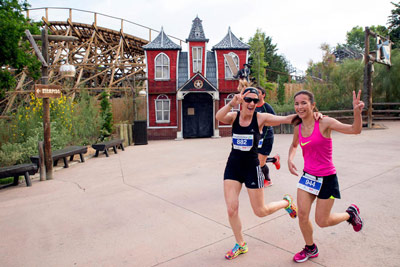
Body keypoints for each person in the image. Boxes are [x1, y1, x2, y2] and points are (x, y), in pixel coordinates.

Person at [216, 87, 299, 260]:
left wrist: (310, 114)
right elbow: (219, 117)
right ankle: (241, 244)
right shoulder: (234, 116)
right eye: (248, 100)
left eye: (255, 100)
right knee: (232, 209)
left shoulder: (261, 118)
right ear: (241, 100)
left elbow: (286, 119)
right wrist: (232, 103)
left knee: (260, 211)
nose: (252, 103)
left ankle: (286, 202)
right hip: (233, 166)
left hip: (252, 167)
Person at [287, 90, 364, 263]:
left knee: (322, 221)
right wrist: (290, 159)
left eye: (304, 103)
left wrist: (357, 113)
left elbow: (355, 129)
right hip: (308, 178)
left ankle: (350, 214)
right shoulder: (298, 128)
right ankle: (310, 248)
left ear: (313, 105)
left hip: (327, 179)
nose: (299, 107)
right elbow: (293, 146)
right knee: (302, 215)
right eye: (297, 103)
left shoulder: (324, 122)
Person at [255, 86, 280, 187]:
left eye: (259, 92)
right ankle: (274, 160)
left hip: (266, 138)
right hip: (256, 138)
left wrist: (265, 123)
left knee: (260, 162)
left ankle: (268, 180)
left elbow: (277, 121)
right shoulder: (252, 107)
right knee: (255, 159)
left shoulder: (267, 107)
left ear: (263, 95)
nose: (256, 94)